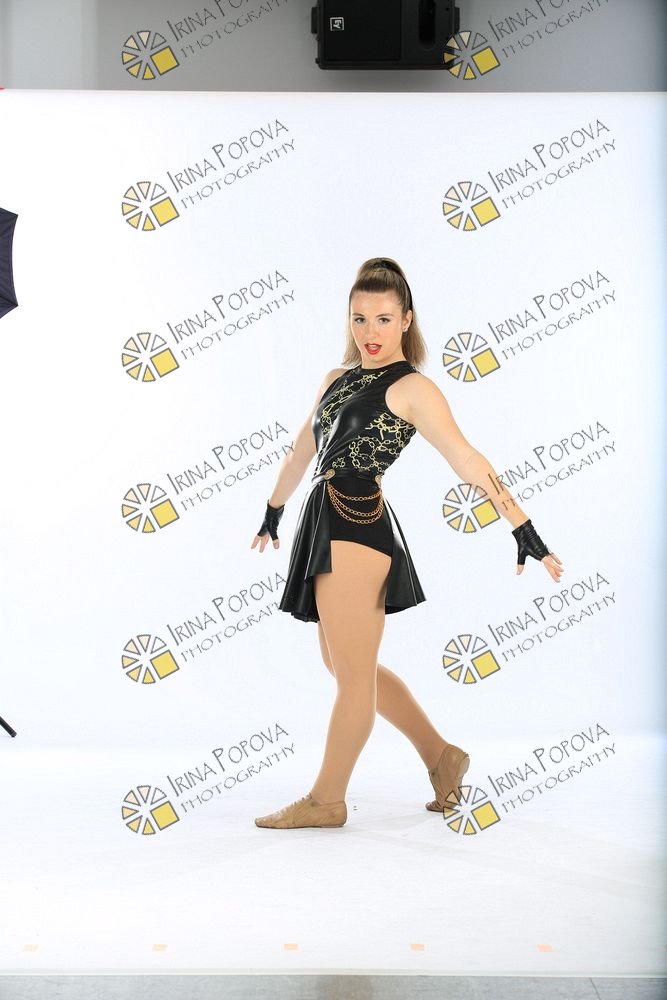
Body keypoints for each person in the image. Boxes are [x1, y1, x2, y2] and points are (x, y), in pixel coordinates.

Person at [250, 258, 563, 830]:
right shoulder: (335, 379)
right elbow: (301, 452)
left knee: (352, 678)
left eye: (383, 319)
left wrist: (521, 525)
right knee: (346, 666)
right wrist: (273, 509)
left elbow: (465, 457)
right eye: (359, 318)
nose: (370, 332)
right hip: (322, 520)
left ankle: (326, 799)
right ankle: (442, 757)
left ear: (406, 320)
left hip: (358, 524)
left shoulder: (413, 387)